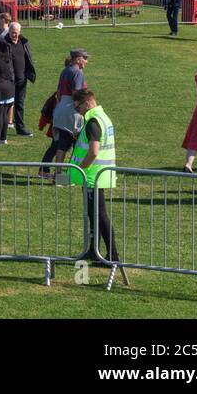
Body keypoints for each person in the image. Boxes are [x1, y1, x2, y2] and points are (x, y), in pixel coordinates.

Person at [70, 87, 120, 264]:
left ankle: (113, 255)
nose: (78, 111)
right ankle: (94, 250)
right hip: (98, 175)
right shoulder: (102, 117)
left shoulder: (92, 121)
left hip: (92, 176)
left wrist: (80, 170)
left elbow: (93, 152)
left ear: (88, 103)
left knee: (100, 216)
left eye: (78, 107)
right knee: (94, 215)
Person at [41, 49, 88, 177]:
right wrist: (83, 109)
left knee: (61, 145)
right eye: (85, 58)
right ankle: (66, 177)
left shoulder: (65, 70)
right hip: (72, 112)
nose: (86, 61)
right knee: (74, 146)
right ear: (78, 59)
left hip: (61, 109)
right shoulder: (77, 72)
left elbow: (59, 93)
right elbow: (76, 94)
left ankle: (59, 176)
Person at [1, 22, 36, 136]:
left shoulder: (24, 42)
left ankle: (20, 128)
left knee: (19, 104)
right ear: (9, 31)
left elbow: (29, 58)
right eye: (12, 32)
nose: (14, 35)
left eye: (16, 33)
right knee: (5, 104)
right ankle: (1, 128)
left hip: (22, 79)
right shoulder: (4, 43)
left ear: (19, 32)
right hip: (8, 80)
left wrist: (29, 73)